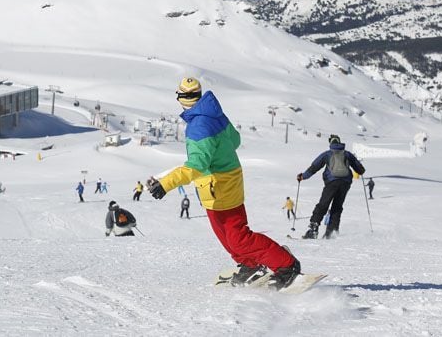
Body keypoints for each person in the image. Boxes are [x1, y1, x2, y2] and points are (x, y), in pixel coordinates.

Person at [145, 77, 300, 290]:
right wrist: (220, 150)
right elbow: (235, 140)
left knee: (238, 238)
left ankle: (286, 265)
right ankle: (250, 265)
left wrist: (165, 184)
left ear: (180, 98)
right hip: (219, 184)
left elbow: (196, 165)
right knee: (226, 236)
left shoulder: (198, 125)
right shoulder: (215, 114)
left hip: (220, 184)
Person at [297, 133, 366, 239]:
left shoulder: (327, 154)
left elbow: (314, 167)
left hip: (332, 182)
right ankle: (332, 232)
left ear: (330, 143)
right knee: (337, 207)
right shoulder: (347, 154)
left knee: (323, 205)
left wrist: (303, 176)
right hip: (345, 183)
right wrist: (360, 170)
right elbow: (360, 169)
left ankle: (313, 230)